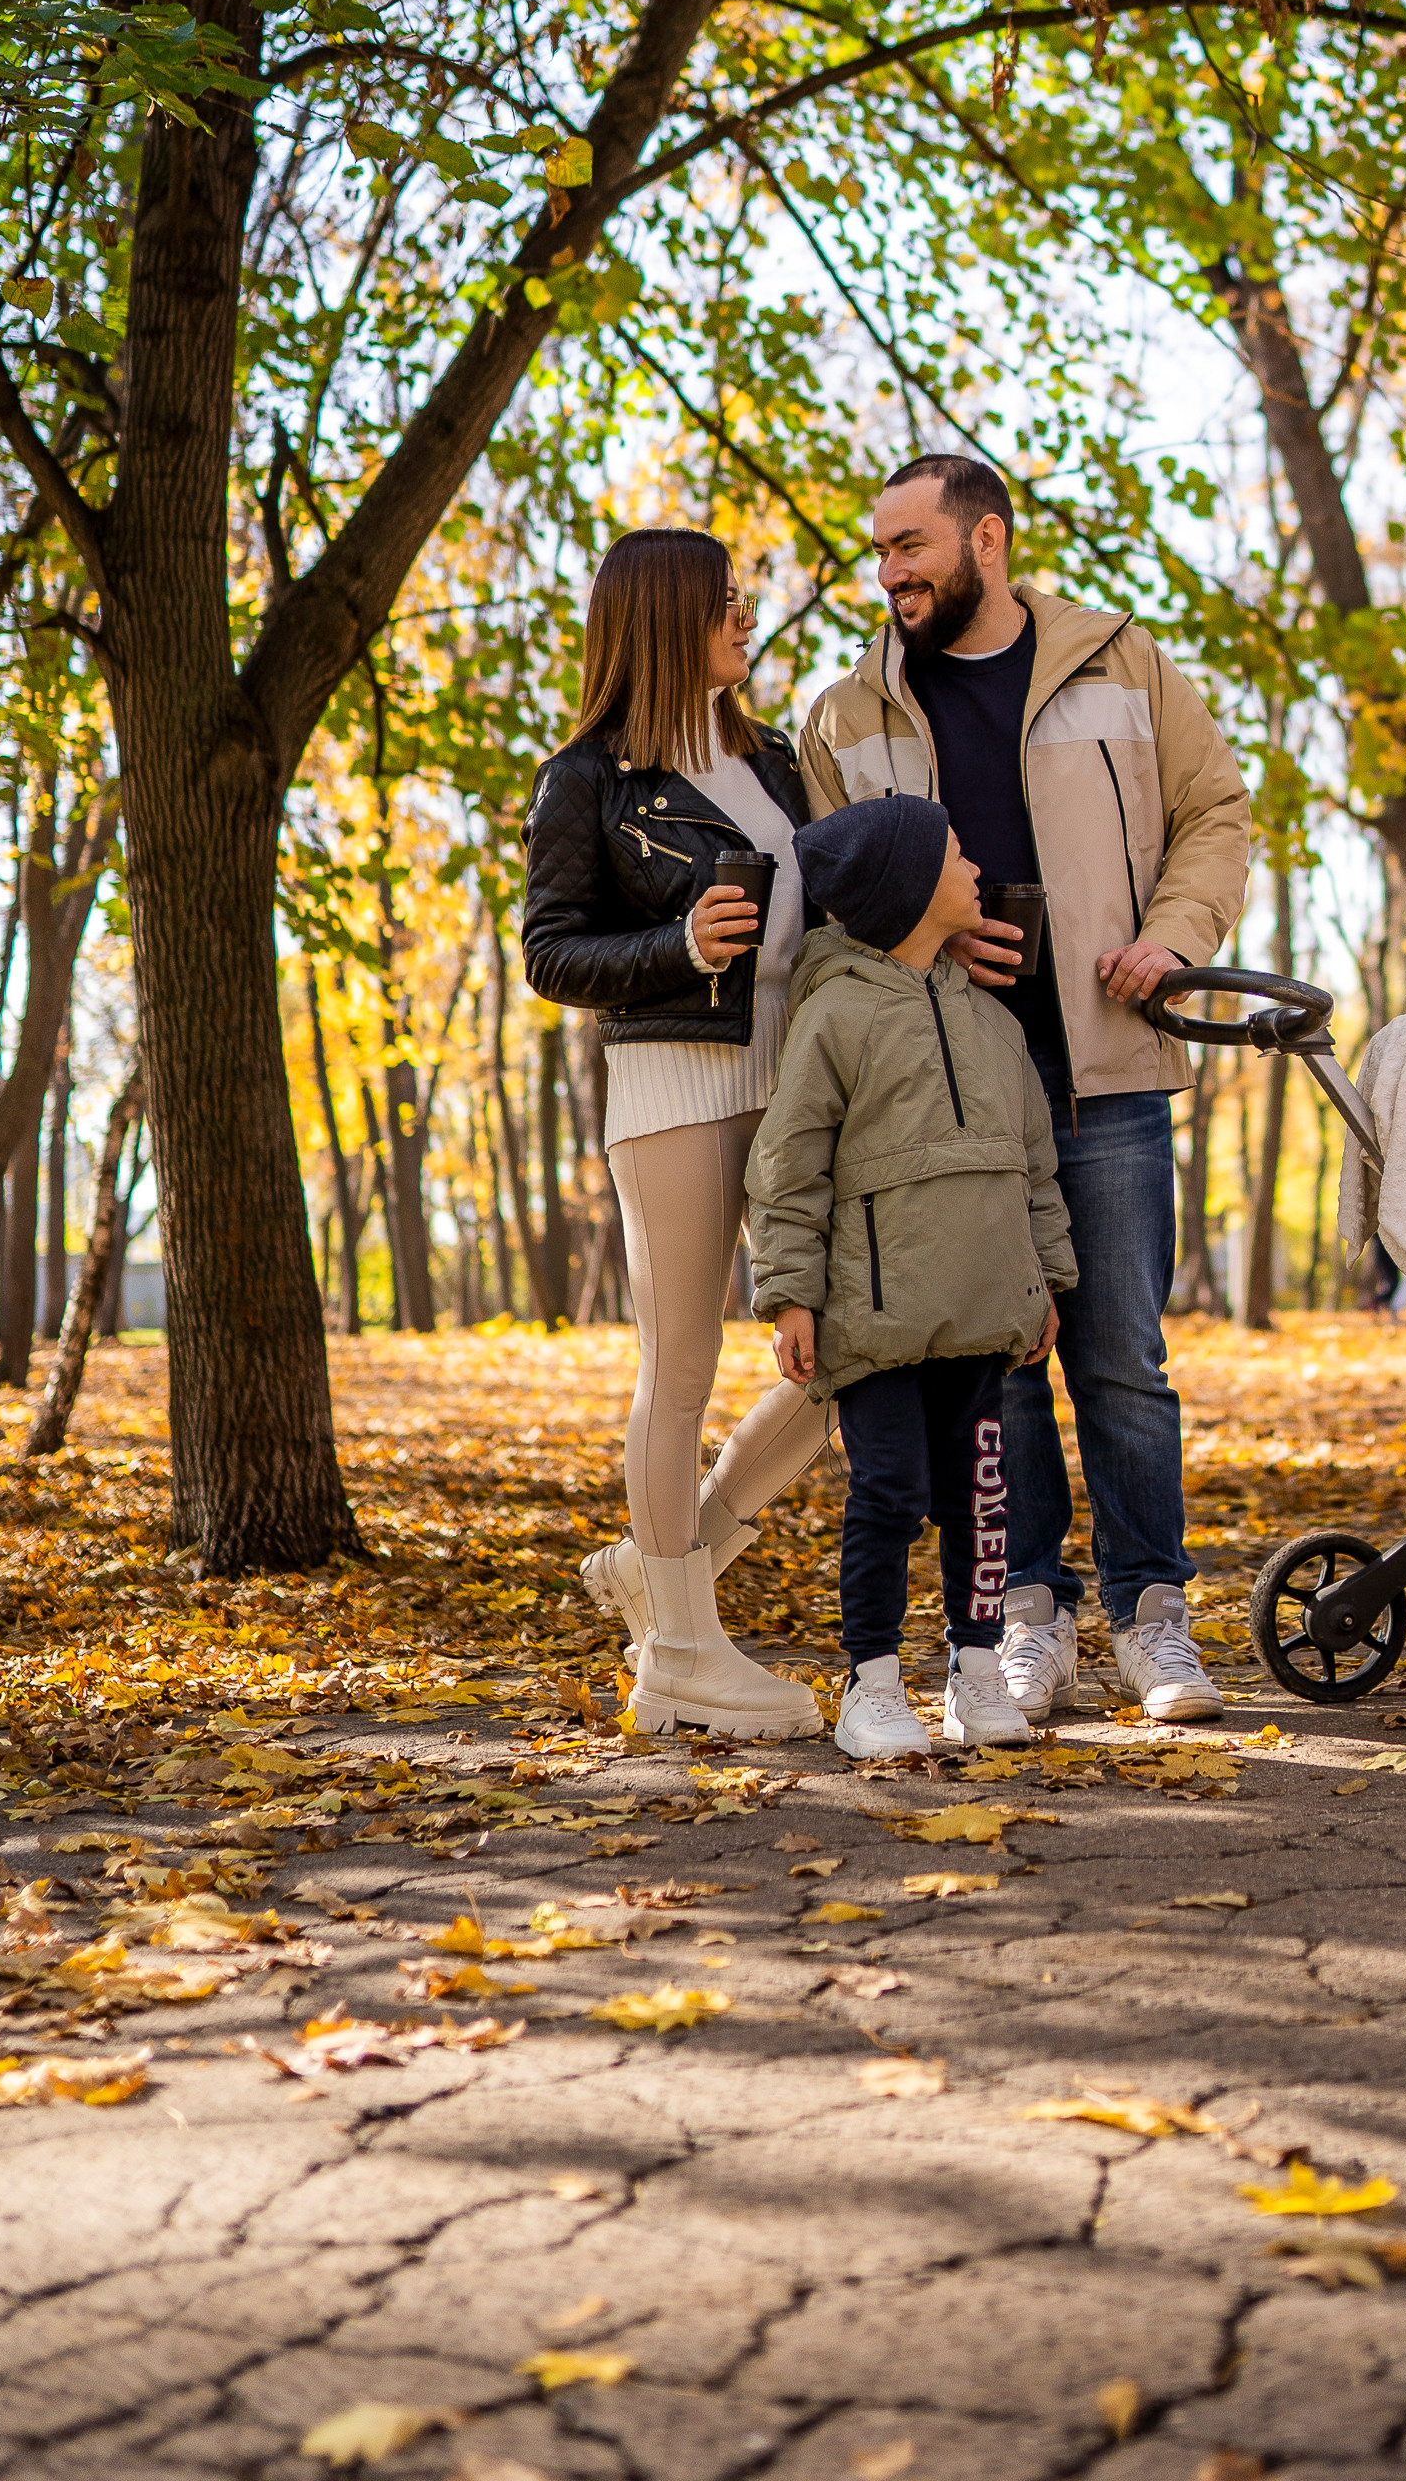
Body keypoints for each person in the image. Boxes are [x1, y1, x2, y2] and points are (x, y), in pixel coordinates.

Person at [799, 454, 1250, 1724]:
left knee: (1119, 1356)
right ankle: (1025, 1621)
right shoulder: (846, 718)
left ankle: (1154, 1619)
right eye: (880, 552)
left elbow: (1217, 811)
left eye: (909, 545)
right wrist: (930, 939)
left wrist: (1175, 938)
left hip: (1104, 1063)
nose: (888, 572)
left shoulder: (1124, 662)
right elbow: (834, 906)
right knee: (993, 1363)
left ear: (985, 540)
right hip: (942, 1093)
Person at [521, 527, 828, 1740]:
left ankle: (665, 1563)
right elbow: (551, 949)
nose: (746, 618)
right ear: (666, 618)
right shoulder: (588, 779)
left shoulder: (781, 761)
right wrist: (677, 948)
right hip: (673, 1088)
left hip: (800, 1087)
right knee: (684, 1366)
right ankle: (683, 1656)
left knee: (854, 1348)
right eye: (727, 602)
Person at [747, 796, 1076, 1760]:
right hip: (878, 1320)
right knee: (888, 1493)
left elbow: (1034, 1164)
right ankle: (873, 1682)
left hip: (980, 1316)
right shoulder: (836, 1016)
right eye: (956, 853)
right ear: (909, 887)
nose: (976, 867)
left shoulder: (994, 1024)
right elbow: (789, 1164)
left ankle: (977, 1671)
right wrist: (792, 1292)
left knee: (983, 1493)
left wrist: (1044, 1277)